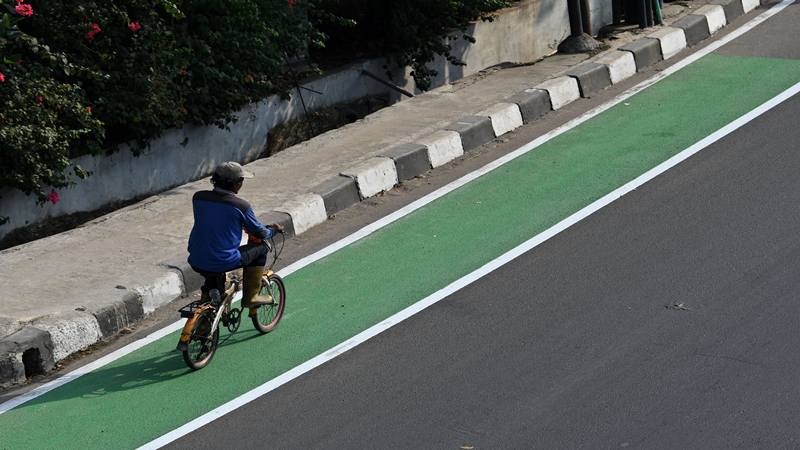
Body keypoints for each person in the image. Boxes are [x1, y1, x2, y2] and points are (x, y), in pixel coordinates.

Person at [187, 161, 283, 316]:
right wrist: (274, 230)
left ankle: (207, 309)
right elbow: (261, 233)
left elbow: (216, 219)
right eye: (241, 181)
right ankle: (251, 297)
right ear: (236, 183)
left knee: (212, 272)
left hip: (196, 258)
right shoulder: (240, 206)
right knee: (262, 248)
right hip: (223, 260)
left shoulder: (198, 198)